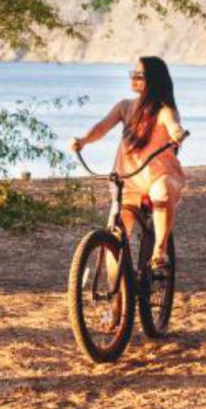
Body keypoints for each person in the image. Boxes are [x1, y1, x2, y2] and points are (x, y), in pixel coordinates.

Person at [71, 56, 188, 272]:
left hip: (158, 175)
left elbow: (173, 124)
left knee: (161, 194)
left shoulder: (164, 110)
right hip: (128, 178)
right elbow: (101, 127)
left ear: (152, 80)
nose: (133, 78)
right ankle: (118, 295)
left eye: (139, 75)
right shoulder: (125, 107)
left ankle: (159, 251)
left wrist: (177, 133)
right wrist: (83, 141)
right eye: (132, 73)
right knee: (116, 232)